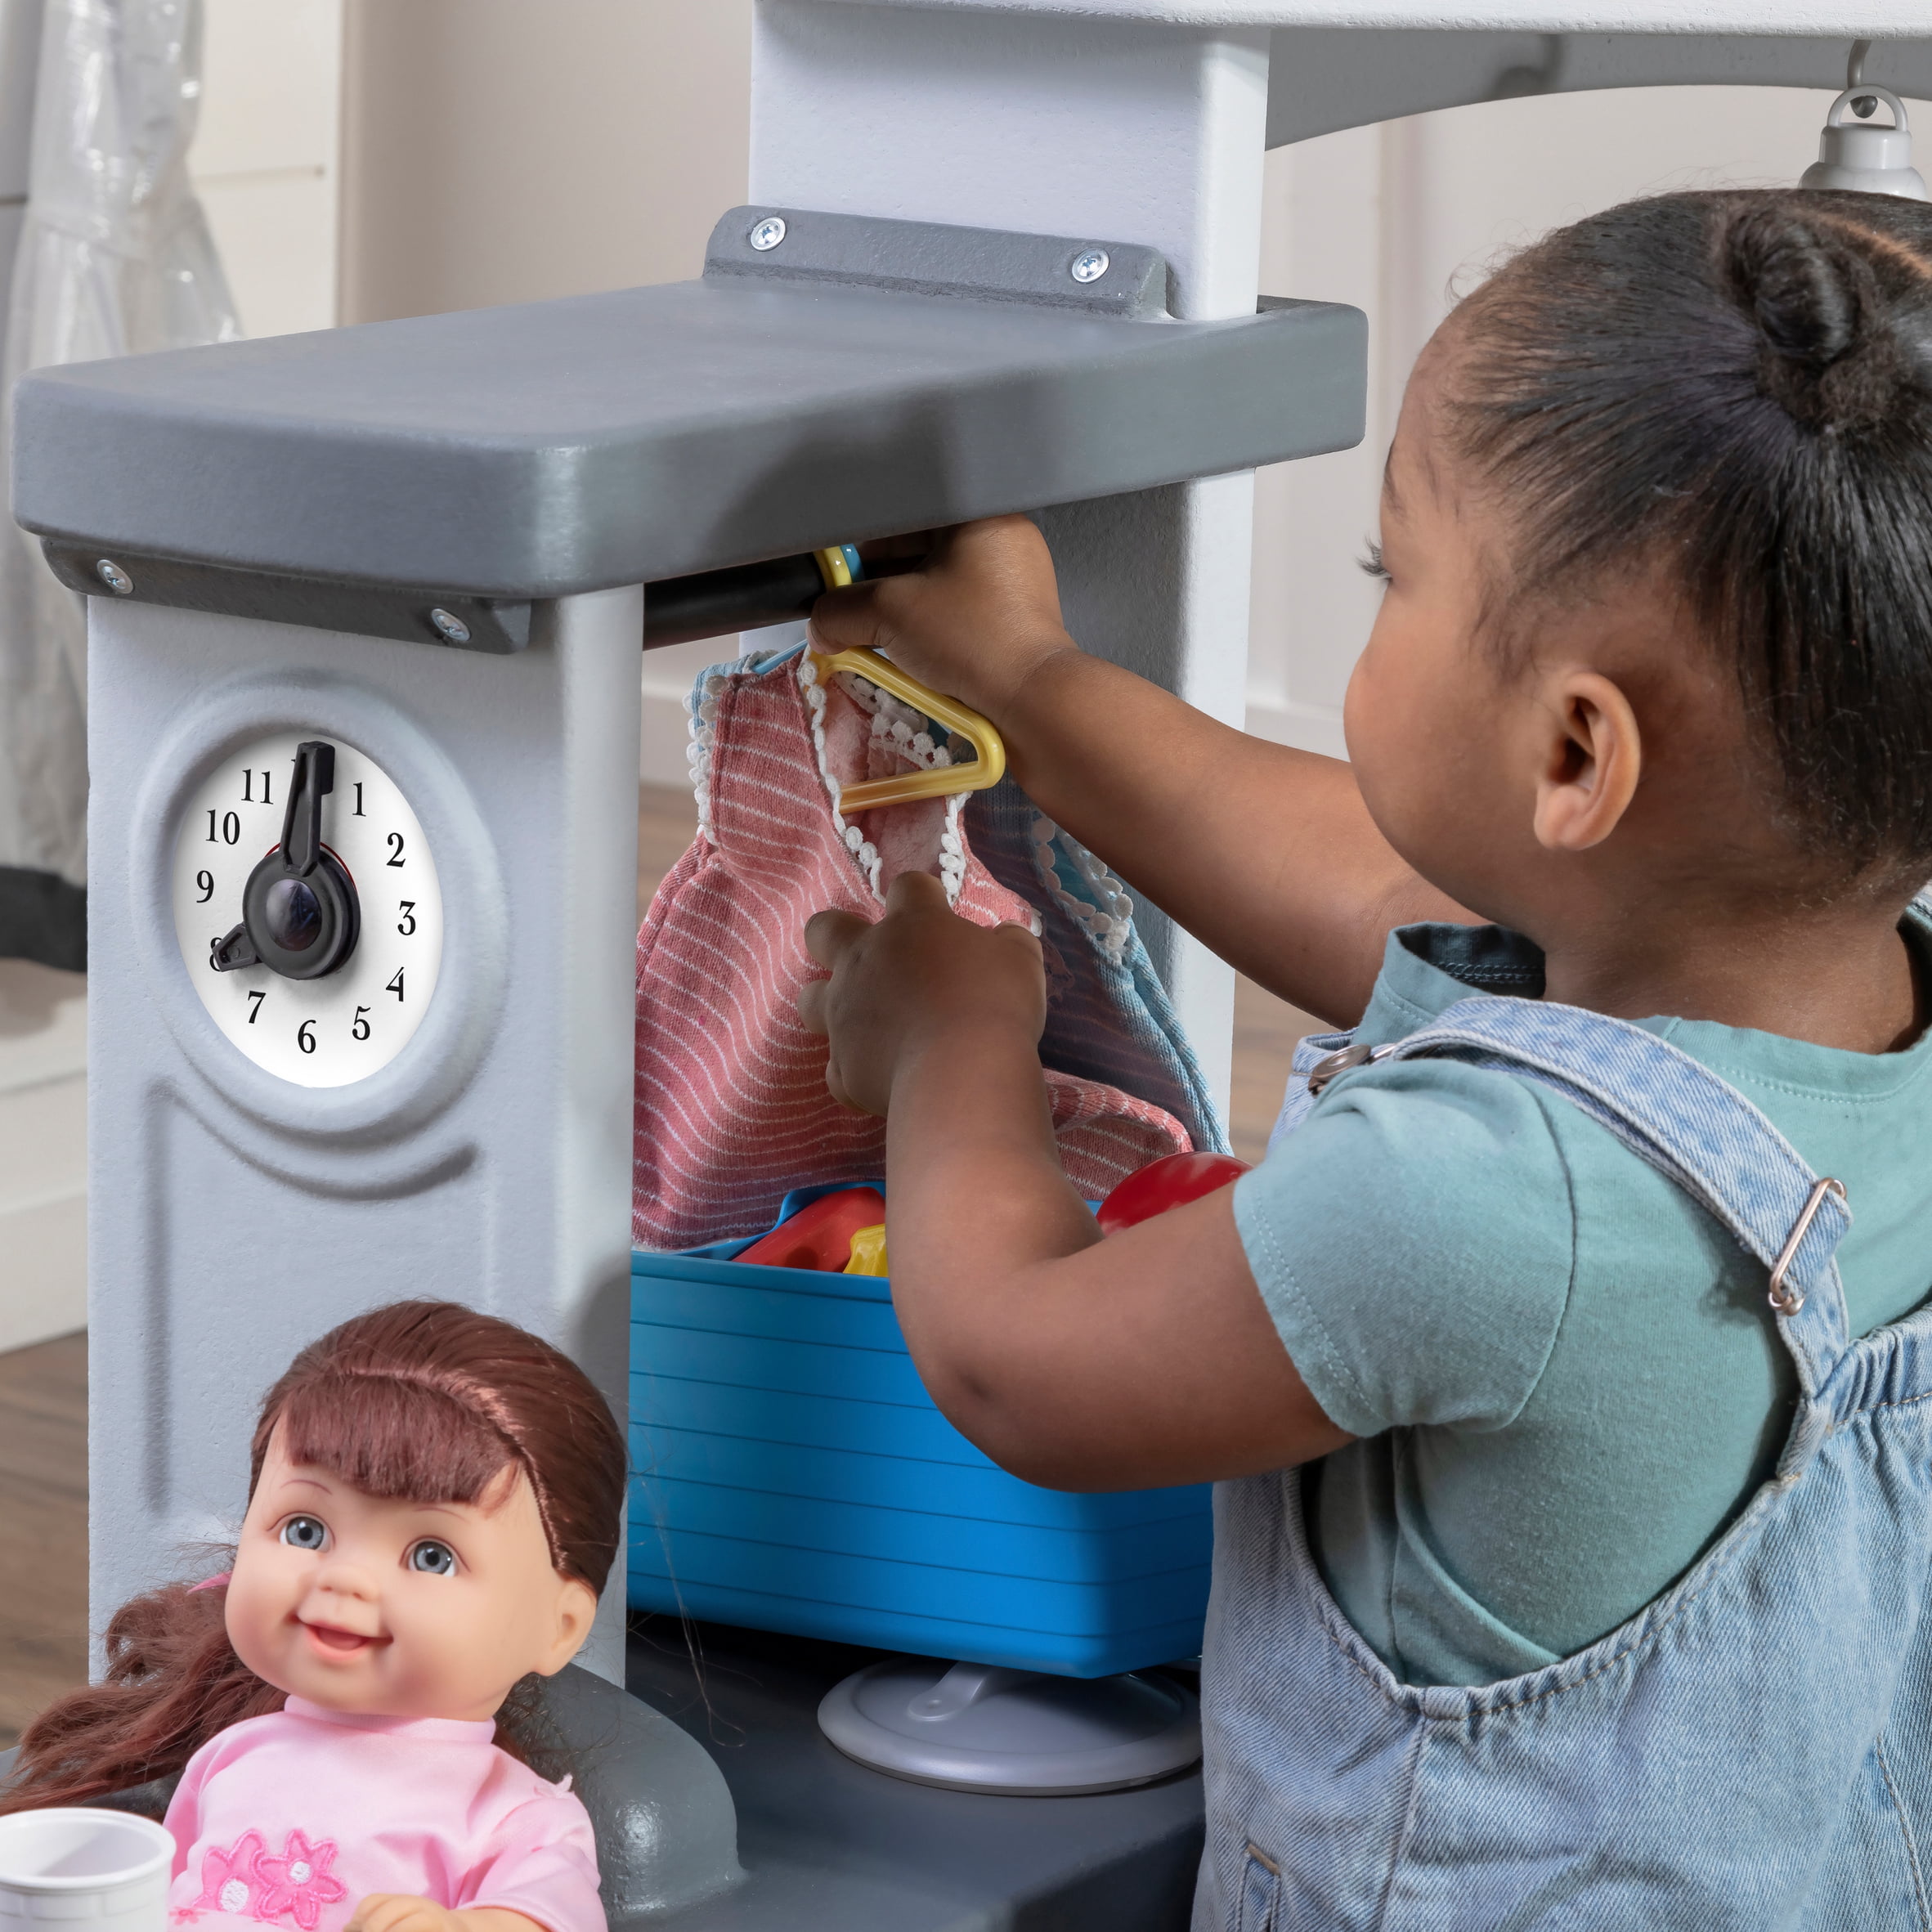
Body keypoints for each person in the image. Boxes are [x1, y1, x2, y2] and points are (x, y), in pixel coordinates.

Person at [797, 187, 1932, 1924]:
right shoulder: (1833, 1009)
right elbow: (1378, 889)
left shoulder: (1468, 1200)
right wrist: (1018, 674)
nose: (1376, 604)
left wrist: (951, 1037)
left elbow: (1020, 1362)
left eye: (1386, 570)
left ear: (1573, 748)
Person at [2, 1302, 626, 1932]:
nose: (344, 1577)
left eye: (431, 1555)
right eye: (306, 1529)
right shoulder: (231, 1755)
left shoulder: (513, 1818)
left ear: (560, 1626)